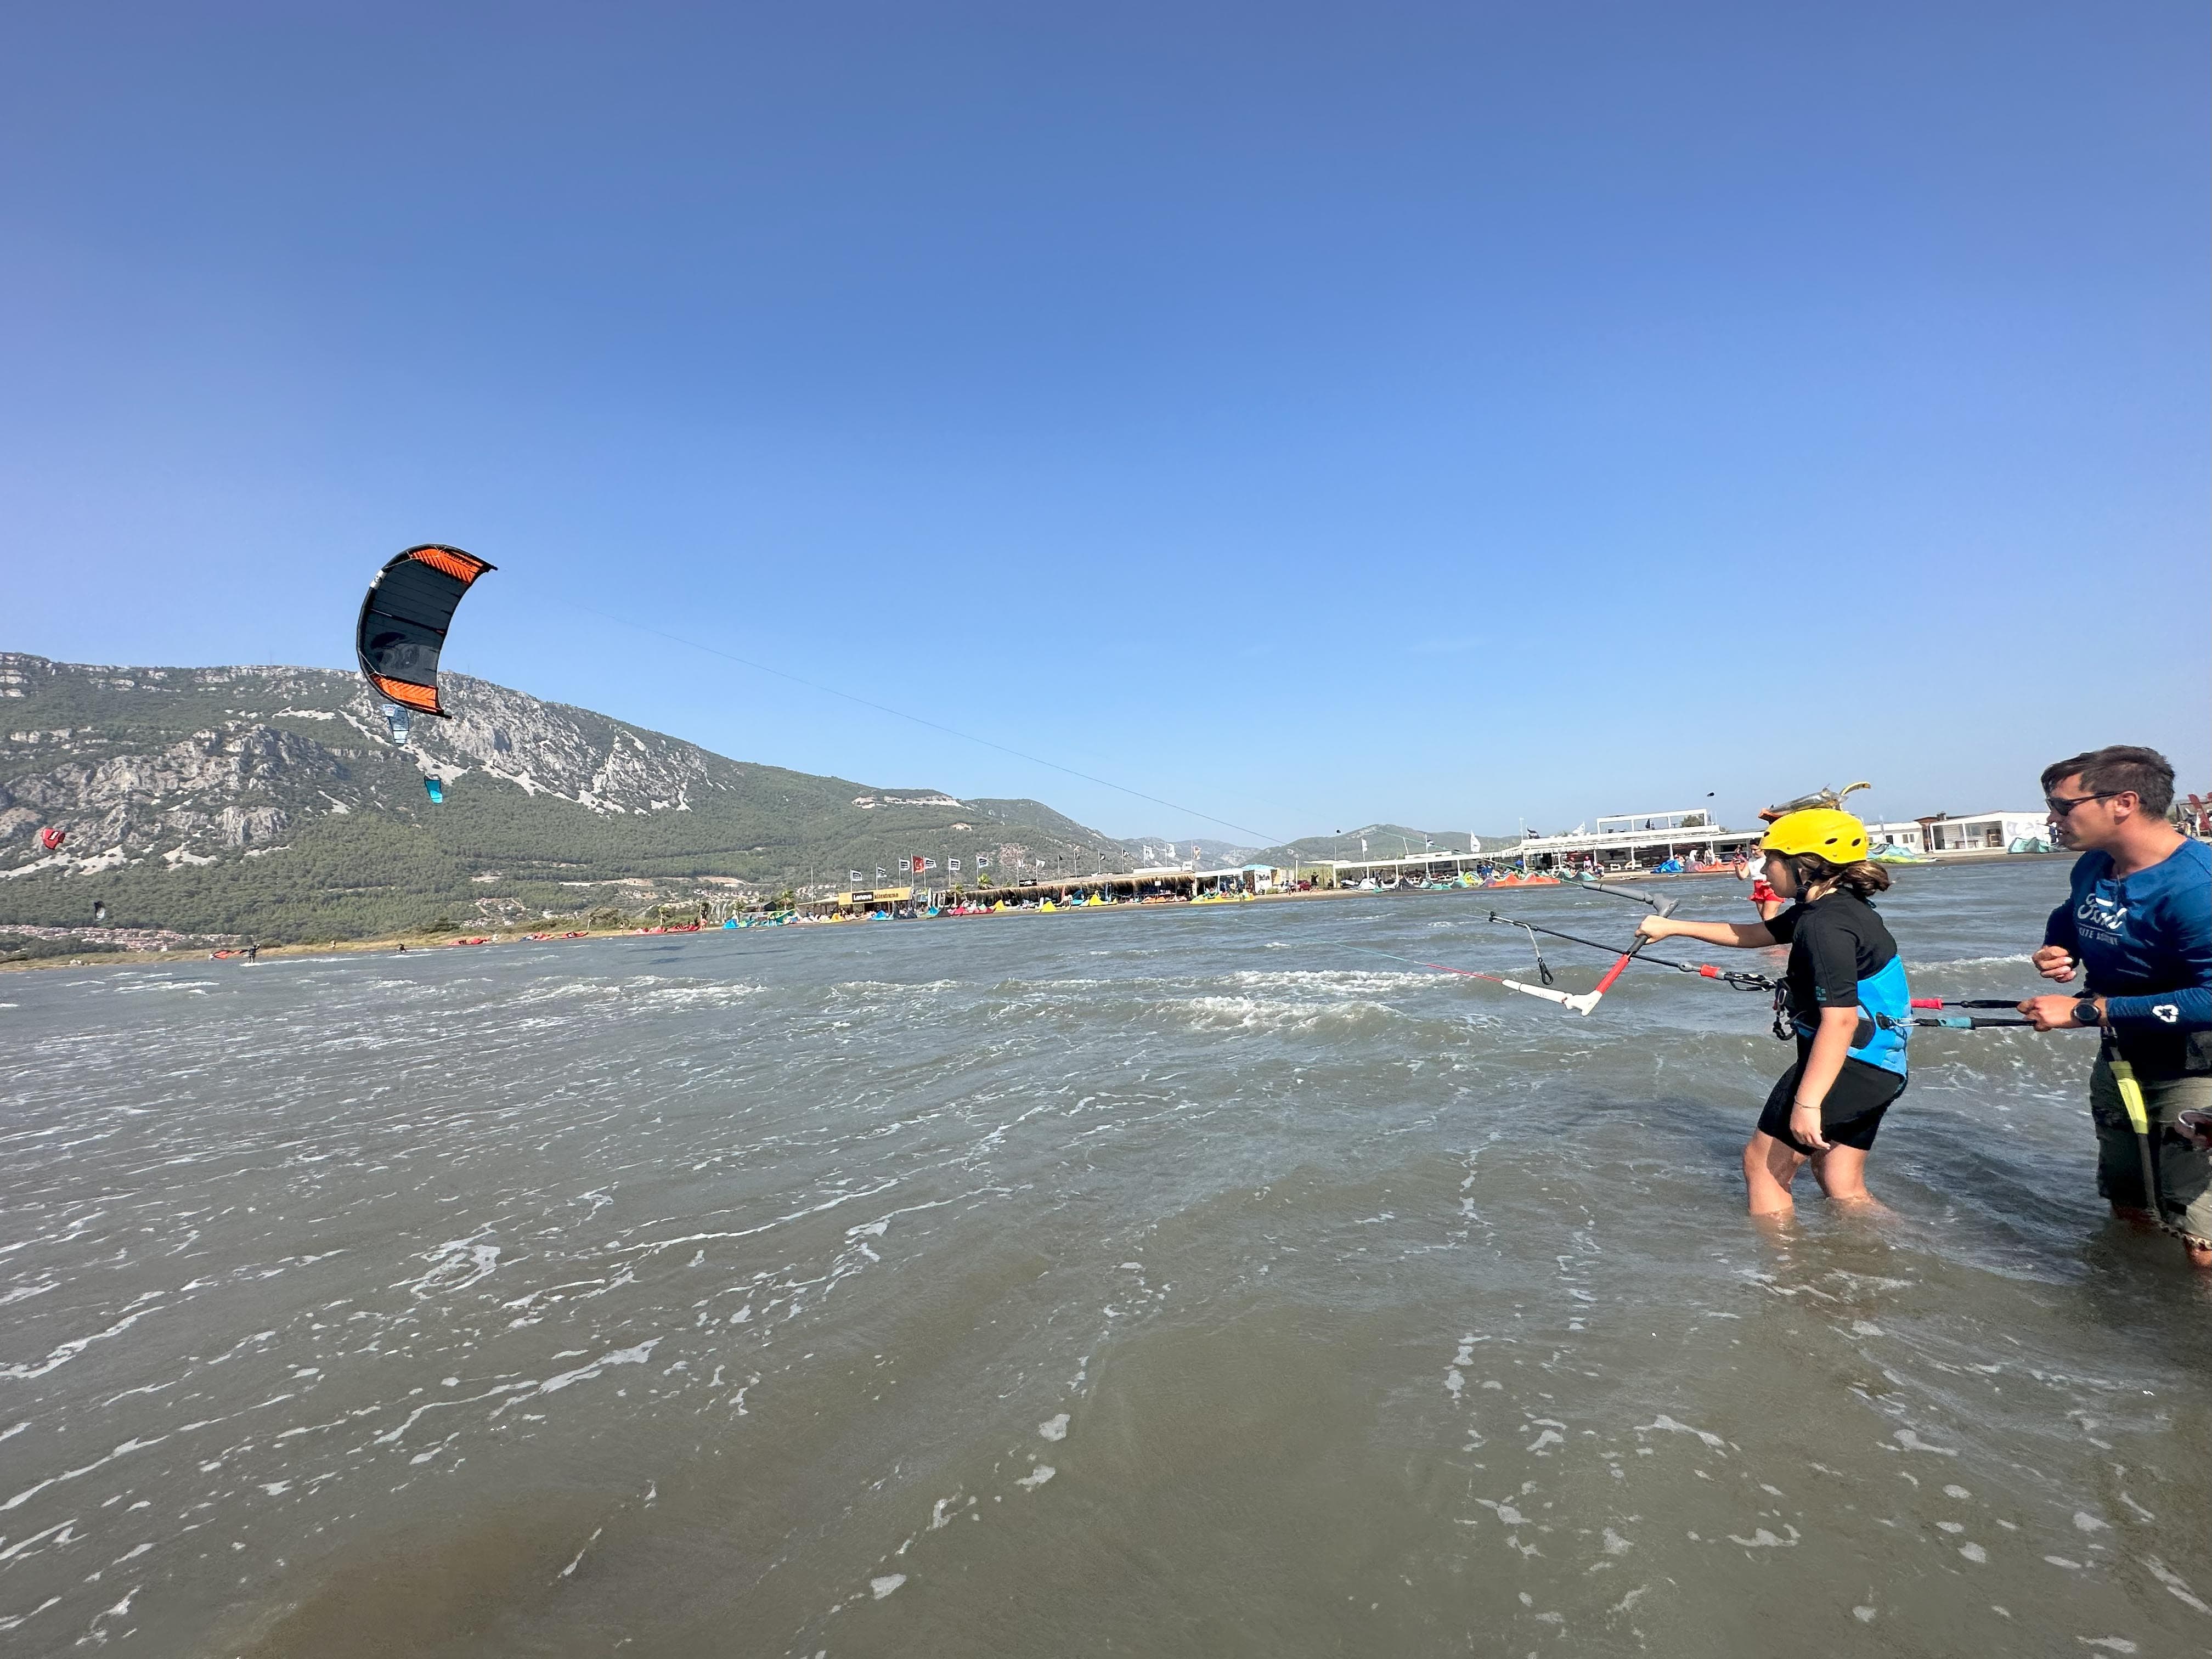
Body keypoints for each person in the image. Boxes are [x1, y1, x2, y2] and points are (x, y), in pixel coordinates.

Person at [1639, 809, 1910, 1217]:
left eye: (1772, 859)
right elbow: (1756, 934)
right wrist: (1674, 928)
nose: (1764, 869)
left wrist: (1808, 1103)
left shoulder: (1824, 926)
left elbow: (1841, 1020)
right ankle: (1888, 1255)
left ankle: (1782, 1277)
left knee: (1764, 1169)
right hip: (1882, 1065)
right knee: (1842, 1182)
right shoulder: (1836, 907)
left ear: (1804, 866)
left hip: (1849, 1063)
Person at [2015, 746, 2211, 1267]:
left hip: (2198, 1067)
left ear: (2122, 802)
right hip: (2123, 1059)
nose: (2052, 817)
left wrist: (2084, 1011)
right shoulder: (2093, 866)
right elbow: (2069, 915)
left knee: (2202, 1240)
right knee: (2129, 1207)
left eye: (2062, 806)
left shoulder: (2198, 886)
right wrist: (2058, 950)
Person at [1739, 847, 1785, 922]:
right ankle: (1774, 933)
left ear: (1762, 849)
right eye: (1751, 850)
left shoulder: (1770, 859)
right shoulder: (1751, 861)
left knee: (1768, 917)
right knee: (1764, 918)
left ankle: (1780, 932)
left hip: (1771, 889)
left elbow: (1781, 873)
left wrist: (1771, 882)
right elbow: (1742, 876)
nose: (1753, 852)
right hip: (1758, 890)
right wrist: (1737, 867)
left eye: (1755, 850)